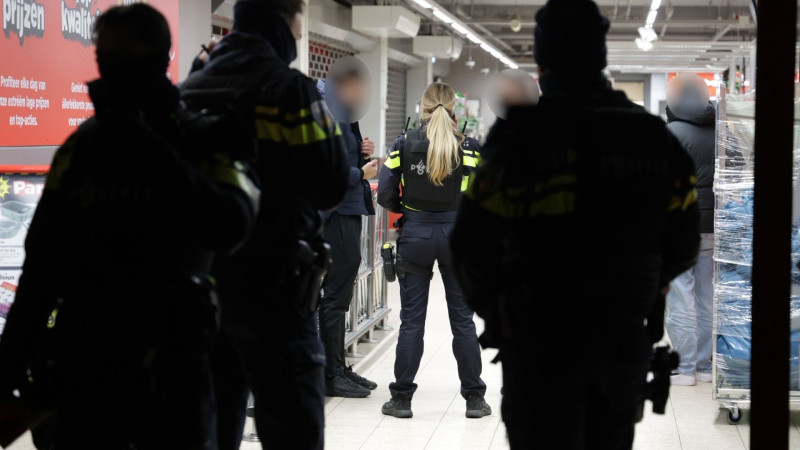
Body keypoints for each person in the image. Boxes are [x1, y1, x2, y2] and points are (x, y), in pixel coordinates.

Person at [0, 4, 258, 449]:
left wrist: (151, 151)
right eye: (104, 58)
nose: (111, 70)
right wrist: (6, 377)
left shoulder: (202, 136)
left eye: (124, 57)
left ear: (159, 57)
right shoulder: (83, 149)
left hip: (174, 366)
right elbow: (40, 270)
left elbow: (231, 224)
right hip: (84, 369)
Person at [450, 0, 700, 448]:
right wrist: (644, 286)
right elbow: (684, 242)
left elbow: (469, 244)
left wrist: (504, 314)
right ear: (601, 56)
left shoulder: (519, 139)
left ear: (542, 63)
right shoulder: (651, 137)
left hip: (539, 342)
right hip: (620, 341)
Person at [180, 0, 349, 449]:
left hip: (203, 288)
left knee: (213, 424)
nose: (300, 33)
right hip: (274, 289)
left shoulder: (192, 87)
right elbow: (331, 183)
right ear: (284, 20)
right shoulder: (290, 91)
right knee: (293, 426)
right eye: (298, 23)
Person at [377, 82, 491, 419]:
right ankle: (474, 399)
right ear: (453, 108)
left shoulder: (403, 143)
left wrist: (407, 212)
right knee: (463, 321)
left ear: (423, 107)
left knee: (412, 321)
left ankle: (401, 399)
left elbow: (385, 194)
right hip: (457, 238)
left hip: (415, 236)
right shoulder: (470, 146)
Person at [316, 72, 380, 398]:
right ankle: (332, 373)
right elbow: (327, 170)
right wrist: (362, 172)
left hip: (345, 209)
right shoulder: (331, 111)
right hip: (337, 212)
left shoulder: (342, 112)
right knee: (335, 297)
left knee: (338, 295)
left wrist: (362, 151)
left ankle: (338, 368)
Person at [664, 73, 717, 386]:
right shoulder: (721, 131)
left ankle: (684, 369)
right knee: (707, 297)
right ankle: (705, 366)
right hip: (714, 227)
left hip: (679, 226)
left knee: (681, 295)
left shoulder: (670, 134)